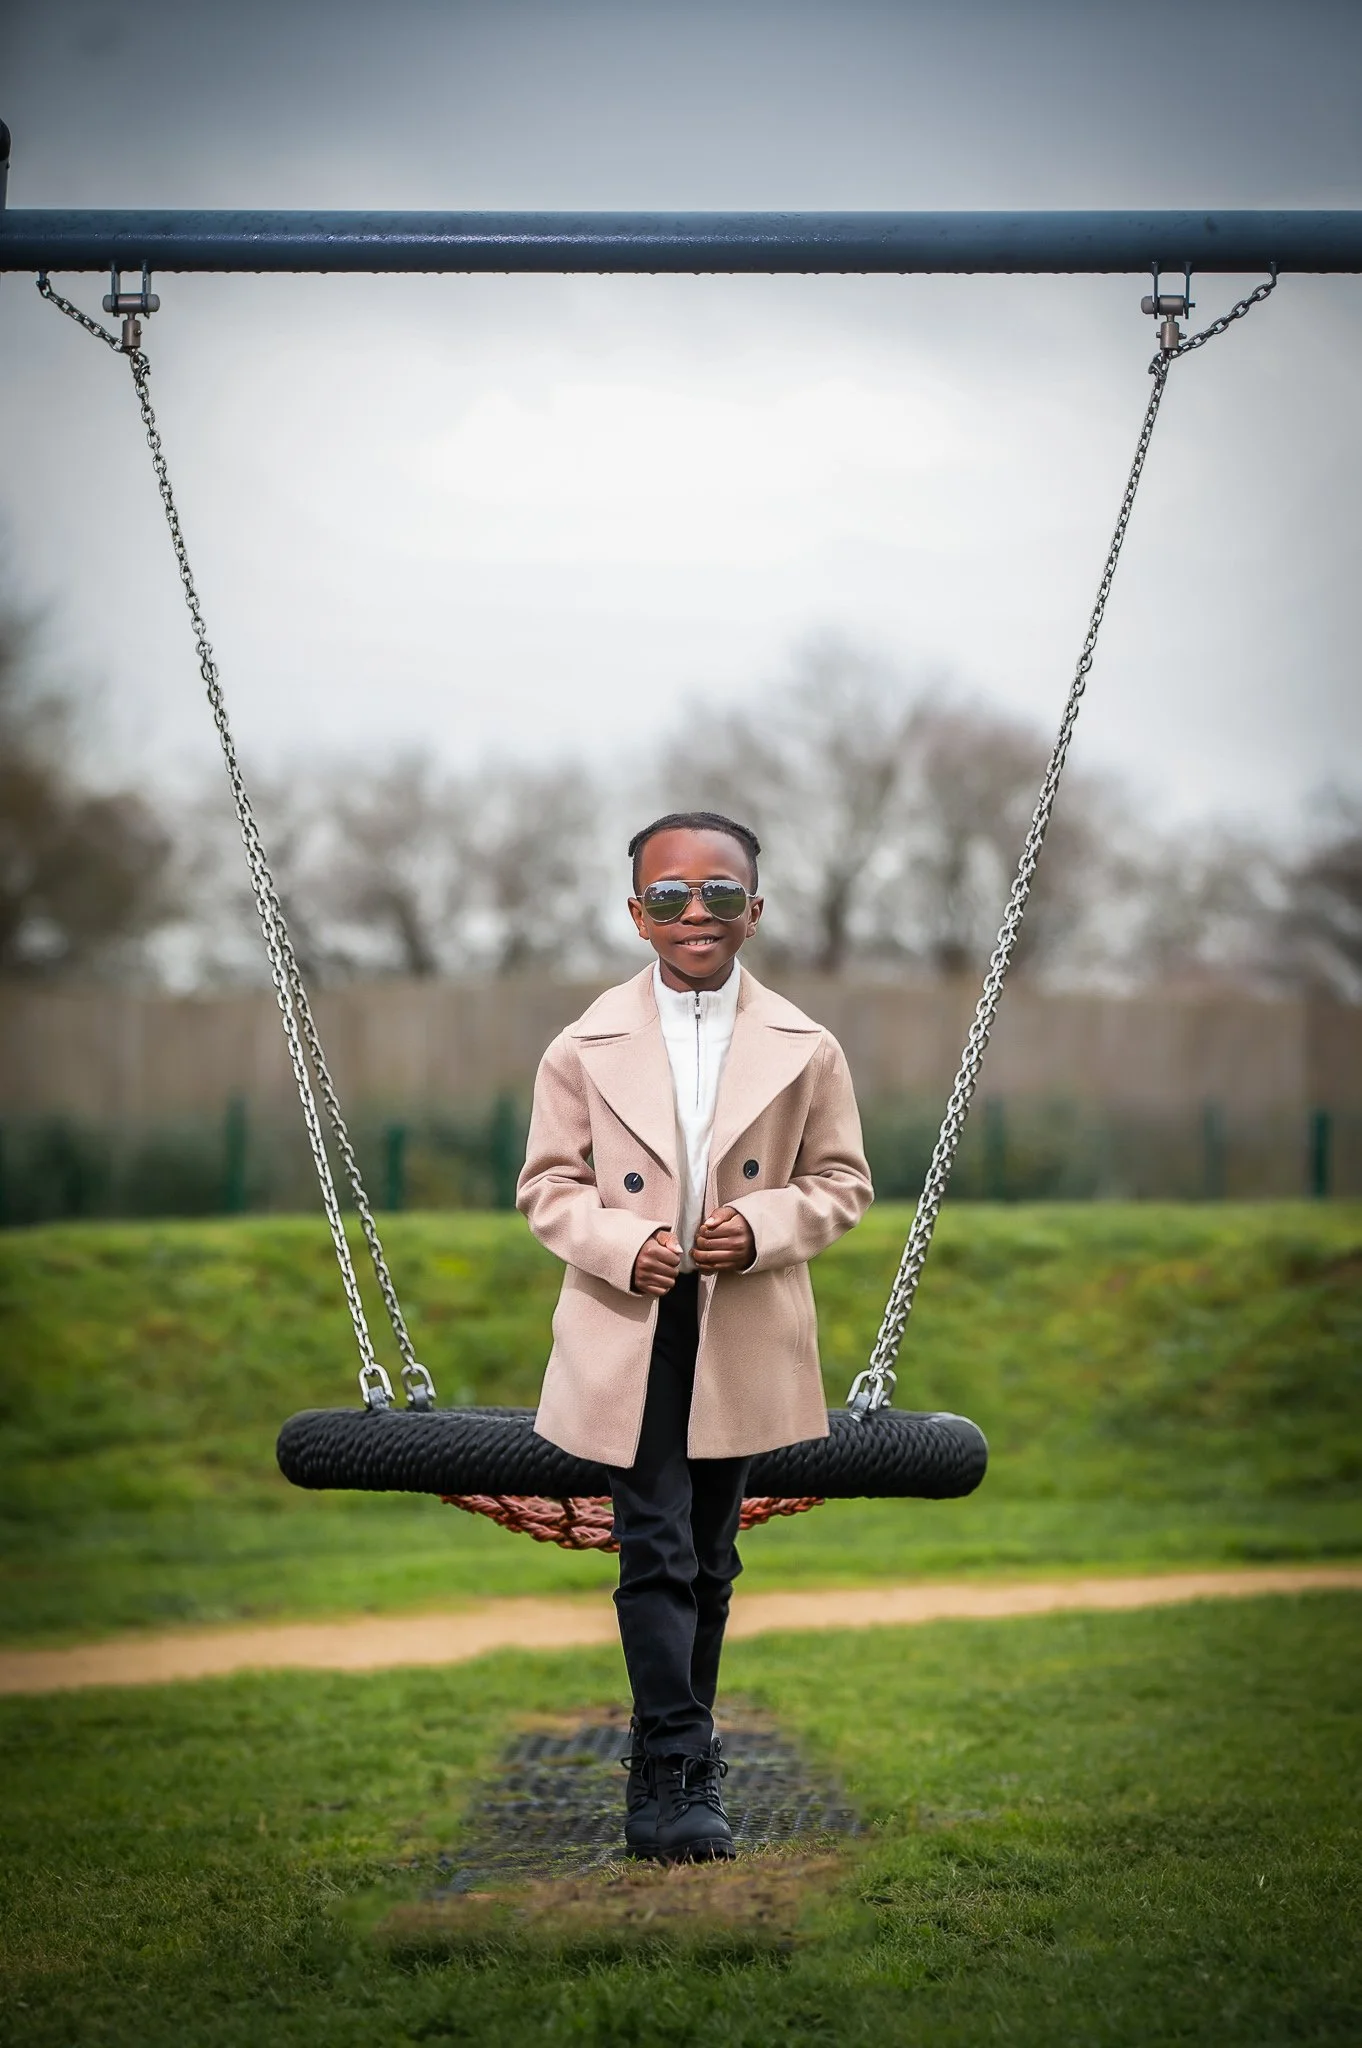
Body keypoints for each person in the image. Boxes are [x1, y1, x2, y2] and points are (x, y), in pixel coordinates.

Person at [516, 811, 873, 1861]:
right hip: (633, 1320)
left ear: (755, 910)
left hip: (743, 1318)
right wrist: (625, 1244)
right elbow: (548, 1186)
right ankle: (671, 1765)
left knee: (711, 1554)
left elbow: (841, 1181)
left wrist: (759, 1226)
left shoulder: (807, 1047)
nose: (696, 912)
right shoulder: (581, 1045)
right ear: (637, 913)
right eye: (669, 894)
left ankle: (681, 1740)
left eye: (721, 892)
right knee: (655, 1545)